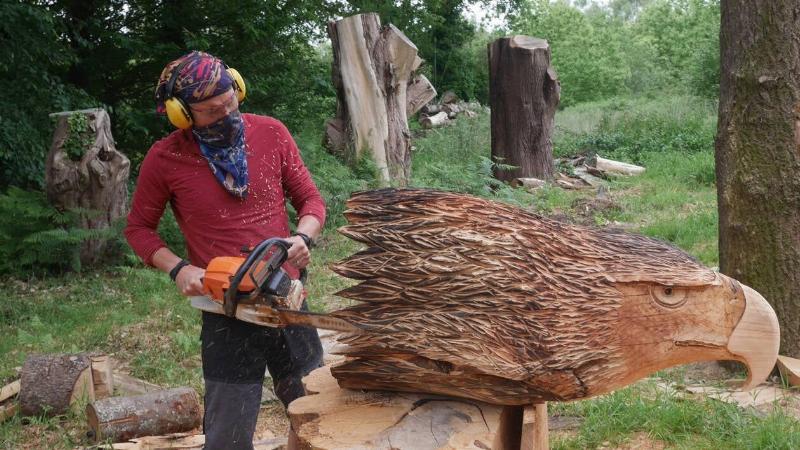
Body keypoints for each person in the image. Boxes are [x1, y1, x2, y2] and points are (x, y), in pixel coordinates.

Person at [124, 51, 325, 449]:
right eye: (212, 111)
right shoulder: (166, 159)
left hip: (286, 297)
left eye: (230, 102)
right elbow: (138, 229)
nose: (225, 114)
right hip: (226, 309)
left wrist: (302, 238)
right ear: (182, 114)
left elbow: (311, 202)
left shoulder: (271, 133)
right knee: (227, 438)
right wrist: (179, 268)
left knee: (320, 416)